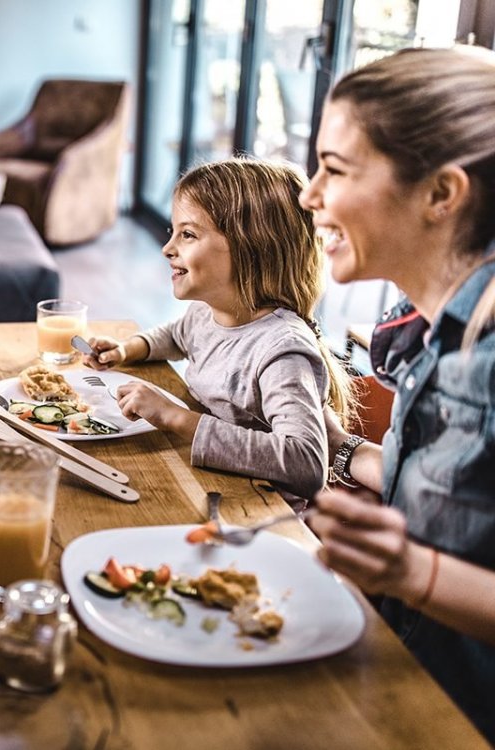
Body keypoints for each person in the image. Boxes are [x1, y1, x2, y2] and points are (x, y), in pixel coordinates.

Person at [298, 47, 495, 742]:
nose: (308, 193)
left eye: (336, 169)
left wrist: (413, 571)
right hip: (403, 682)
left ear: (441, 194)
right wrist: (342, 450)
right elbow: (456, 494)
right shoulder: (432, 332)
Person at [82, 158, 355, 500]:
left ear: (252, 247)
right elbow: (175, 335)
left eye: (188, 234)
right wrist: (127, 350)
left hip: (256, 510)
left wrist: (175, 418)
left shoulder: (282, 349)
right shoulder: (206, 314)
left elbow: (305, 464)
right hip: (207, 483)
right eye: (173, 232)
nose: (168, 249)